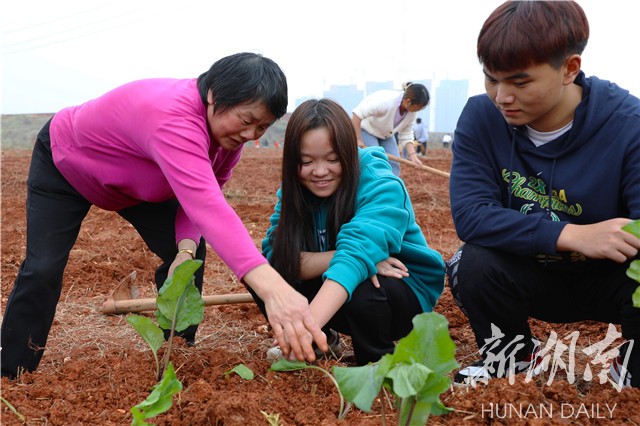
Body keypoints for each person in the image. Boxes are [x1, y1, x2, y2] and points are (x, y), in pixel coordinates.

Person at [1, 52, 329, 379]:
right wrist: (275, 290)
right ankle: (11, 370)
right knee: (43, 267)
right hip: (67, 165)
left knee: (188, 252)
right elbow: (209, 208)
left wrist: (184, 250)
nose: (249, 135)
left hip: (135, 186)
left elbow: (198, 204)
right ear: (214, 96)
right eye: (246, 120)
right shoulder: (172, 117)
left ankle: (177, 351)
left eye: (262, 127)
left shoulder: (227, 140)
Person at [446, 1, 640, 389]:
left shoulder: (627, 125)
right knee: (471, 263)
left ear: (569, 69)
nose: (501, 97)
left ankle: (634, 364)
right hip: (530, 272)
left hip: (610, 279)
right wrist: (572, 234)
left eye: (520, 83)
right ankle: (513, 357)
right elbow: (471, 215)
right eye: (491, 79)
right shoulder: (482, 119)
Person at [248, 98, 446, 366]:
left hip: (401, 293)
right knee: (262, 275)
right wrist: (342, 258)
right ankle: (320, 343)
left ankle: (375, 364)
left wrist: (304, 330)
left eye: (333, 159)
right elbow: (279, 257)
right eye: (306, 161)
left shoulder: (379, 182)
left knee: (365, 280)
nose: (320, 172)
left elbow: (354, 259)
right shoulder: (294, 189)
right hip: (336, 290)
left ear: (349, 152)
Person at [351, 83, 429, 177]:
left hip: (386, 135)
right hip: (367, 130)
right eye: (417, 108)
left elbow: (406, 134)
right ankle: (374, 185)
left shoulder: (411, 112)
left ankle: (391, 185)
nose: (417, 111)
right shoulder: (386, 102)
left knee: (394, 164)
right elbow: (357, 114)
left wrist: (413, 156)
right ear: (408, 101)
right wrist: (358, 140)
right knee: (375, 160)